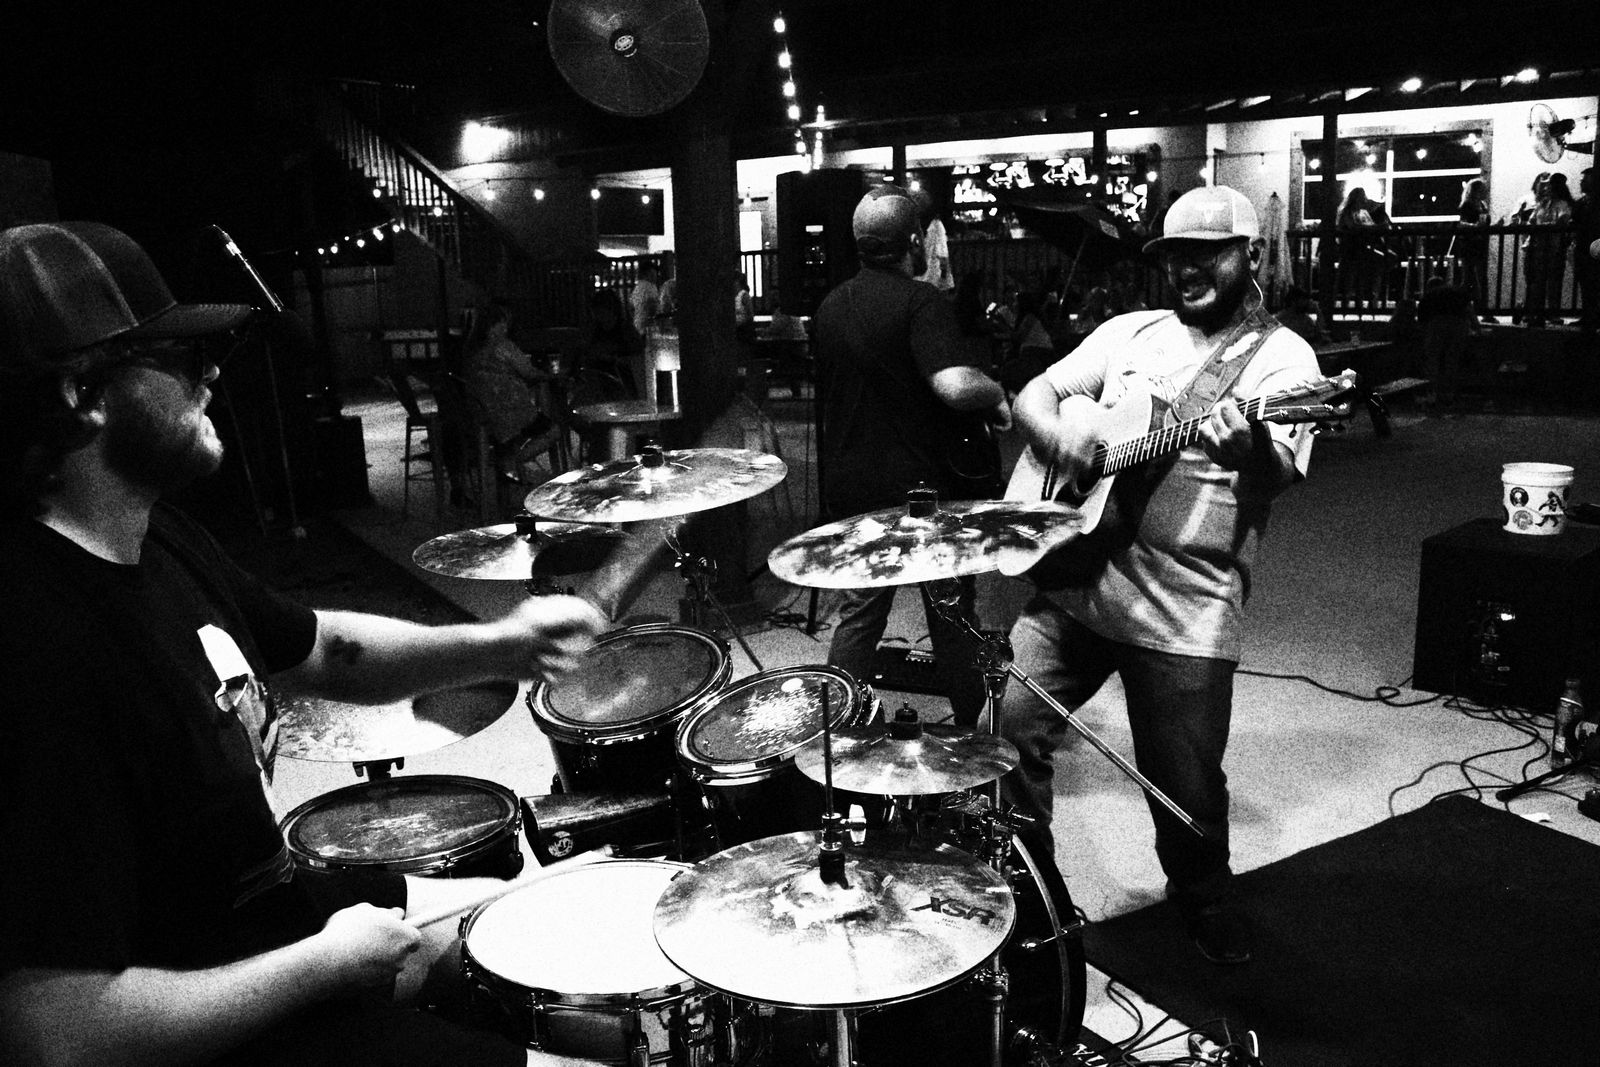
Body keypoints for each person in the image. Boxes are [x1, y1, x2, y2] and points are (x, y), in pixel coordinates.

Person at [0, 221, 607, 1066]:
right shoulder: (35, 652)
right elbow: (61, 1032)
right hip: (220, 1019)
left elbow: (325, 648)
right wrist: (322, 966)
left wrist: (502, 644)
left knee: (542, 913)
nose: (211, 373)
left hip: (267, 918)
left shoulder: (157, 537)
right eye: (180, 358)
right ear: (83, 394)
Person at [999, 186, 1319, 966]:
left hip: (1187, 607)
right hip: (1078, 581)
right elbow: (1036, 392)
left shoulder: (1284, 361)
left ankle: (1204, 897)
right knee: (1005, 733)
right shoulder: (1128, 332)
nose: (1188, 270)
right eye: (1176, 256)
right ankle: (1030, 886)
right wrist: (1058, 439)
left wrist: (1248, 449)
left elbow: (1278, 473)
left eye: (1209, 254)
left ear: (1251, 254)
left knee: (1186, 787)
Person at [815, 184, 1011, 728]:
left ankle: (836, 731)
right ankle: (975, 733)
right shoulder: (921, 301)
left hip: (850, 482)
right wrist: (996, 393)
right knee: (951, 616)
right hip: (918, 492)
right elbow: (954, 385)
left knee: (860, 612)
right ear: (913, 242)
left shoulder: (830, 307)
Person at [461, 301, 563, 483]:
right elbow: (529, 372)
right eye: (503, 324)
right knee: (553, 431)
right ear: (493, 325)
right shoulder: (503, 346)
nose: (506, 328)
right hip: (512, 413)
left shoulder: (472, 350)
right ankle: (514, 462)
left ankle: (508, 466)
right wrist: (550, 375)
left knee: (518, 435)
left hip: (482, 415)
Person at [1522, 172, 1575, 328]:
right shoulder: (1542, 204)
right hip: (1538, 246)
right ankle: (1536, 312)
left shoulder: (1562, 204)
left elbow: (1562, 220)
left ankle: (1552, 313)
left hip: (1554, 247)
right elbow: (1532, 220)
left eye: (1549, 186)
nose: (1546, 188)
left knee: (1553, 280)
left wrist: (1543, 227)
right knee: (1537, 280)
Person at [1337, 187, 1388, 316]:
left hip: (1364, 248)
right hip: (1350, 249)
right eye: (1362, 197)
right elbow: (1353, 227)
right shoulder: (1347, 212)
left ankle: (1370, 299)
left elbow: (1370, 226)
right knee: (1350, 278)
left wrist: (1377, 227)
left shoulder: (1363, 212)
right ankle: (1347, 306)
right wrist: (1374, 228)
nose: (1364, 200)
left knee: (1368, 271)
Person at [1453, 178, 1494, 322]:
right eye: (1482, 189)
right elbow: (1461, 224)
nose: (1485, 192)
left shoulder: (1482, 205)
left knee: (1478, 278)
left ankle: (1476, 309)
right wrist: (1475, 227)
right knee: (1470, 278)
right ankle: (1468, 309)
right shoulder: (1467, 205)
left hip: (1479, 244)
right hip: (1469, 245)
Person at [913, 188, 955, 295]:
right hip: (932, 270)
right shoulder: (935, 223)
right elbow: (942, 248)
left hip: (923, 270)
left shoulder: (916, 222)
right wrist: (944, 271)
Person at [1576, 168, 1600, 338]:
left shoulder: (1595, 204)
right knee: (1585, 283)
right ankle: (1587, 316)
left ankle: (1592, 317)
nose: (1582, 183)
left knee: (1593, 283)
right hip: (1583, 247)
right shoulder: (1581, 202)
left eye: (1585, 180)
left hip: (1593, 246)